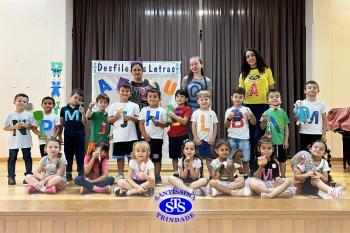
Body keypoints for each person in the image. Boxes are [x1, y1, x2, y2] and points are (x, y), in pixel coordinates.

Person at [238, 48, 275, 161]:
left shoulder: (266, 70)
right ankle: (251, 159)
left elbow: (271, 88)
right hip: (248, 106)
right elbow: (240, 92)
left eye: (252, 55)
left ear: (256, 56)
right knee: (250, 133)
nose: (250, 58)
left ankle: (262, 158)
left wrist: (272, 104)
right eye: (247, 56)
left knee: (261, 132)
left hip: (263, 105)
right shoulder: (243, 74)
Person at [108, 83, 139, 180]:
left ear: (130, 93)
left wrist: (130, 117)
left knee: (131, 157)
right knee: (119, 157)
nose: (125, 93)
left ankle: (132, 174)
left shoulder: (134, 105)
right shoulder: (113, 105)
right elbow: (109, 120)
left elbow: (138, 119)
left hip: (131, 136)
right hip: (118, 136)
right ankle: (120, 174)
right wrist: (116, 117)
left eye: (127, 91)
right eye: (122, 90)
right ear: (118, 92)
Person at [139, 89, 169, 185]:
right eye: (150, 96)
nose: (152, 98)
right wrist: (144, 135)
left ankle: (157, 176)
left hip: (157, 139)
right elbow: (141, 123)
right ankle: (145, 176)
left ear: (159, 98)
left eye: (155, 97)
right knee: (145, 158)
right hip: (145, 138)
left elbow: (166, 124)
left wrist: (159, 123)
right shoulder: (144, 110)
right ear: (146, 98)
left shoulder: (162, 111)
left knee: (157, 158)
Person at [224, 87, 256, 177]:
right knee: (230, 159)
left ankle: (246, 178)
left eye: (240, 97)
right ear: (232, 98)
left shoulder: (247, 109)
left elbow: (254, 123)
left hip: (244, 138)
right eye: (236, 96)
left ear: (244, 99)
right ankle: (231, 177)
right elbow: (225, 125)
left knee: (245, 160)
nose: (238, 99)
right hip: (232, 138)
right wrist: (229, 118)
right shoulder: (228, 110)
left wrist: (251, 116)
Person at [3, 93, 34, 185]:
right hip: (13, 141)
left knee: (27, 158)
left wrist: (26, 126)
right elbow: (5, 127)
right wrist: (14, 127)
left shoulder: (29, 115)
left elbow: (31, 127)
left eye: (24, 101)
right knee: (12, 158)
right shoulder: (10, 115)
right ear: (14, 102)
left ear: (27, 104)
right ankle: (11, 177)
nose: (22, 102)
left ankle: (28, 176)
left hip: (26, 141)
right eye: (19, 100)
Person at [260, 89, 290, 178]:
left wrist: (286, 140)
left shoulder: (282, 112)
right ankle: (269, 176)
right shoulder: (266, 113)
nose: (274, 98)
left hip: (280, 141)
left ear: (280, 99)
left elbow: (286, 128)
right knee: (268, 159)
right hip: (268, 142)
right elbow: (262, 127)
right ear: (267, 101)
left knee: (282, 160)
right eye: (271, 97)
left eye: (277, 96)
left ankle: (283, 176)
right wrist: (264, 121)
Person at [59, 88, 87, 181]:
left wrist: (83, 113)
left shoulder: (81, 109)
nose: (77, 100)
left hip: (80, 136)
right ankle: (68, 172)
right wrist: (60, 135)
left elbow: (84, 123)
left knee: (80, 154)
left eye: (79, 99)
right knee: (68, 154)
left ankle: (80, 172)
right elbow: (62, 123)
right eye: (75, 97)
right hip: (68, 135)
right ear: (71, 97)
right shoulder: (63, 109)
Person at [191, 90, 218, 177]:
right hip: (199, 140)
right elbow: (193, 126)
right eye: (201, 100)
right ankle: (199, 176)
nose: (204, 101)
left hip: (209, 140)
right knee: (199, 159)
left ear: (209, 101)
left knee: (209, 159)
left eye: (206, 99)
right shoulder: (196, 113)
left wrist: (213, 138)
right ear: (198, 101)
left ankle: (211, 175)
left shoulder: (212, 113)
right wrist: (196, 137)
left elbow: (215, 126)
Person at [167, 89, 192, 177]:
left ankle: (185, 172)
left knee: (184, 155)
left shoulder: (187, 109)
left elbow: (184, 121)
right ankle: (175, 172)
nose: (179, 98)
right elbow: (168, 123)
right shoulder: (172, 109)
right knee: (174, 156)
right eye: (177, 96)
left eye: (182, 96)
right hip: (172, 136)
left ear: (186, 99)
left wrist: (173, 115)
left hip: (182, 136)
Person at [298, 81, 328, 150]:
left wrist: (324, 134)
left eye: (314, 87)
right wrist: (298, 114)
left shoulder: (321, 104)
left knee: (317, 152)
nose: (312, 89)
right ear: (305, 91)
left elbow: (324, 120)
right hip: (304, 132)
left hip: (317, 133)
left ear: (318, 91)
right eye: (309, 88)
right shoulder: (301, 103)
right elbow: (296, 119)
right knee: (305, 153)